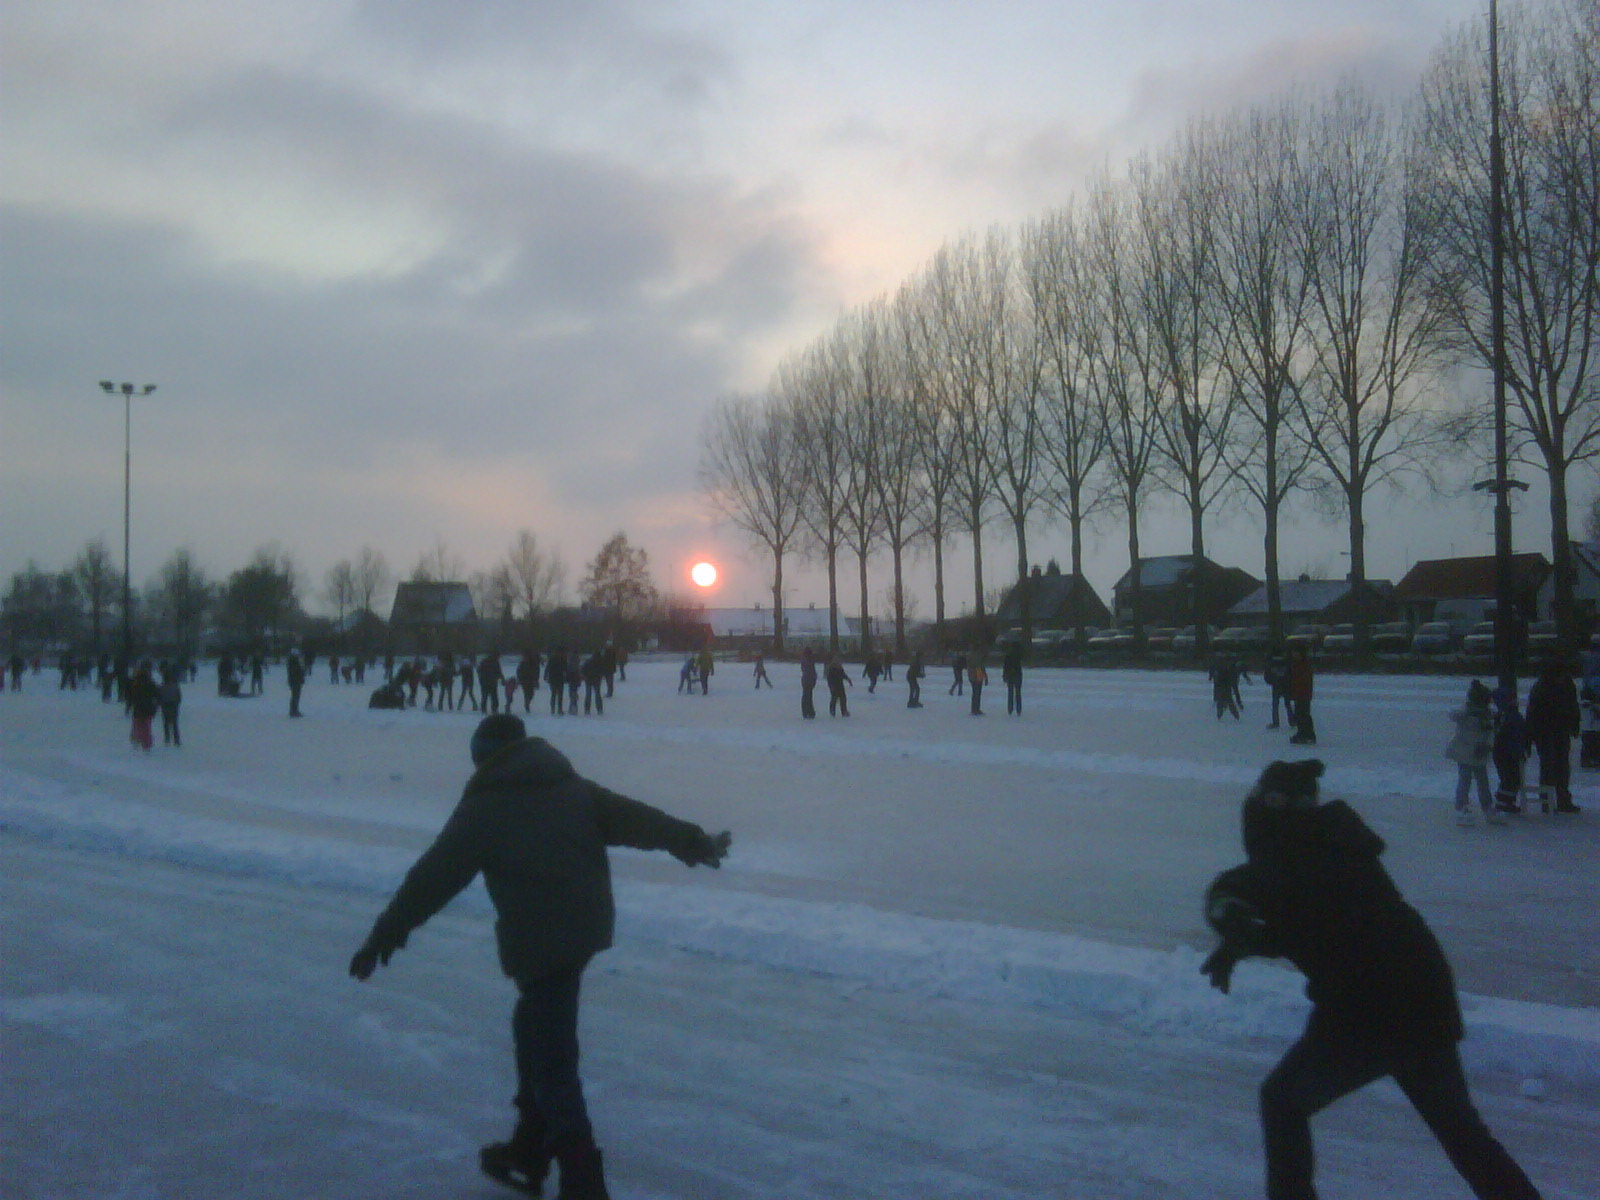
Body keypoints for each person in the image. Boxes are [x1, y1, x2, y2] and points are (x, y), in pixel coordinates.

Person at [349, 714, 731, 1200]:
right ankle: (530, 1147)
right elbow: (636, 818)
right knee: (533, 1030)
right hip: (584, 925)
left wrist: (385, 934)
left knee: (551, 1059)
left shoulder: (484, 807)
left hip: (542, 939)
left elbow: (432, 878)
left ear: (485, 756)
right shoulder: (568, 784)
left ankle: (582, 1180)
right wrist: (690, 841)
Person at [1201, 759, 1544, 1200]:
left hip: (1367, 1008)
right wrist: (1243, 941)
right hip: (1422, 994)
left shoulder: (1291, 853)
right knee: (1459, 1129)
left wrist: (1228, 914)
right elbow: (1308, 925)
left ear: (1272, 806)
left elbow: (1249, 889)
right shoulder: (1333, 842)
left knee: (1283, 1102)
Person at [1525, 661, 1582, 814]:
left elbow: (1573, 706)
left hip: (1557, 730)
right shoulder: (1545, 687)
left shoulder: (1557, 685)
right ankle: (1549, 800)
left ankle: (1558, 799)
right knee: (1550, 765)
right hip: (1546, 731)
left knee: (1559, 765)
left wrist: (1574, 724)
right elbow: (1534, 712)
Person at [1446, 680, 1501, 826]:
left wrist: (1488, 746)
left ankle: (1487, 808)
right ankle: (1462, 807)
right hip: (1464, 753)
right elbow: (1452, 715)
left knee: (1483, 782)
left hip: (1479, 753)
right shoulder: (1465, 712)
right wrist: (1467, 712)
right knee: (1465, 780)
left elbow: (1490, 734)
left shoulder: (1488, 716)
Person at [1492, 686, 1531, 815]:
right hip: (1508, 754)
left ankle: (1505, 801)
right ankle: (1504, 802)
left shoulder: (1504, 716)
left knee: (1510, 778)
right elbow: (1514, 736)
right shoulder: (1510, 716)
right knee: (1511, 779)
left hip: (1505, 753)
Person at [1287, 646, 1316, 745]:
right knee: (1300, 714)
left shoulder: (1304, 665)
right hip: (1298, 693)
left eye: (1296, 652)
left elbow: (1303, 680)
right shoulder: (1296, 664)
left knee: (1303, 714)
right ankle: (1302, 733)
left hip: (1303, 693)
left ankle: (1307, 734)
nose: (1293, 654)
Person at [127, 662, 159, 751]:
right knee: (147, 727)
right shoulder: (151, 684)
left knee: (137, 725)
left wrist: (130, 705)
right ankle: (147, 744)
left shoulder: (135, 684)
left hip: (138, 708)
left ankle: (136, 740)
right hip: (148, 708)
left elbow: (131, 696)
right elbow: (157, 695)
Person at [1263, 647, 1290, 729]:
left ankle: (1276, 722)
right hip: (1285, 684)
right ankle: (1292, 720)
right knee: (1287, 704)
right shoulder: (1286, 661)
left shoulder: (1271, 662)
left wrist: (1271, 681)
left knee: (1275, 704)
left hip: (1276, 684)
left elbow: (1267, 674)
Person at [158, 662, 183, 747]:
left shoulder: (162, 686)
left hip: (165, 705)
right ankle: (176, 739)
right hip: (173, 705)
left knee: (166, 723)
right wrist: (177, 703)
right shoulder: (175, 686)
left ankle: (167, 738)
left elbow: (159, 696)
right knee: (174, 723)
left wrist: (159, 703)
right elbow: (179, 696)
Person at [1002, 642, 1024, 716]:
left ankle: (1010, 709)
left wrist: (1004, 675)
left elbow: (1005, 667)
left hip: (1010, 676)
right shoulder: (1018, 655)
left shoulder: (1008, 655)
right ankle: (1018, 709)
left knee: (1010, 693)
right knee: (1018, 693)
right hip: (1017, 675)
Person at [799, 647, 818, 719]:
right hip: (808, 680)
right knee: (807, 696)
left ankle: (808, 711)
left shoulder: (807, 660)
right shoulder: (807, 661)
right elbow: (810, 670)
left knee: (807, 696)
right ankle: (808, 712)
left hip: (808, 680)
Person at [286, 650, 306, 718]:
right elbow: (296, 671)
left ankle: (294, 710)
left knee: (296, 696)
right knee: (295, 696)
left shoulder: (294, 662)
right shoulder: (294, 662)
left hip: (295, 680)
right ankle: (293, 711)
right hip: (295, 681)